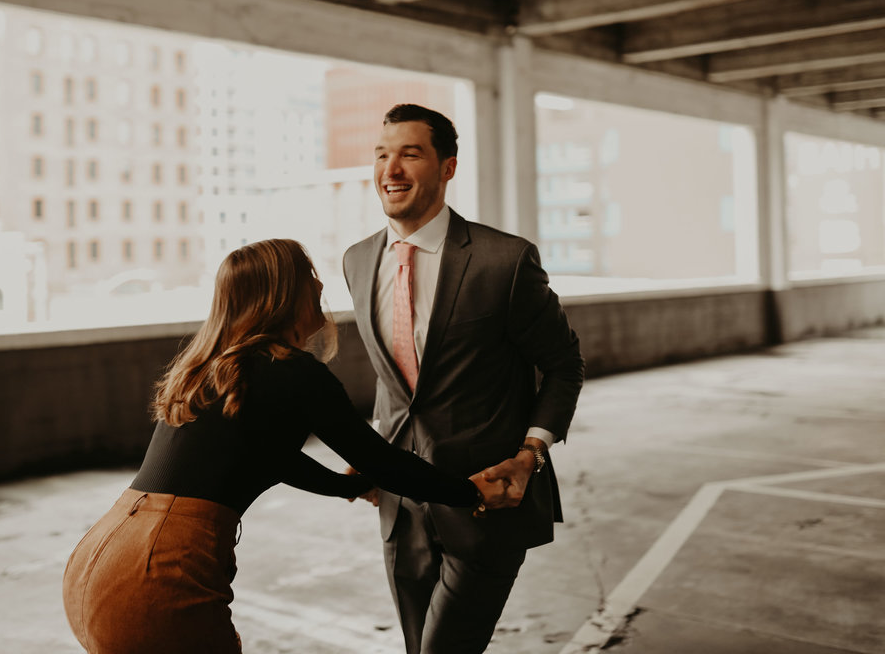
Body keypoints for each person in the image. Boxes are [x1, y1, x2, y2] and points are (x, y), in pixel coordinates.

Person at [62, 238, 502, 654]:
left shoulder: (217, 369)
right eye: (309, 273)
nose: (320, 283)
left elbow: (275, 458)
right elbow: (385, 461)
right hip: (158, 574)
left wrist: (350, 487)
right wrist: (473, 492)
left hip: (99, 558)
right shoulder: (293, 371)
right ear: (283, 294)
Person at [343, 104, 585, 654]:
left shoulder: (505, 260)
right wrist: (377, 448)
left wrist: (531, 453)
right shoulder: (357, 261)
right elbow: (397, 382)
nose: (392, 169)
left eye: (411, 153)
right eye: (382, 154)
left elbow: (564, 365)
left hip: (487, 500)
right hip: (399, 501)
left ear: (447, 167)